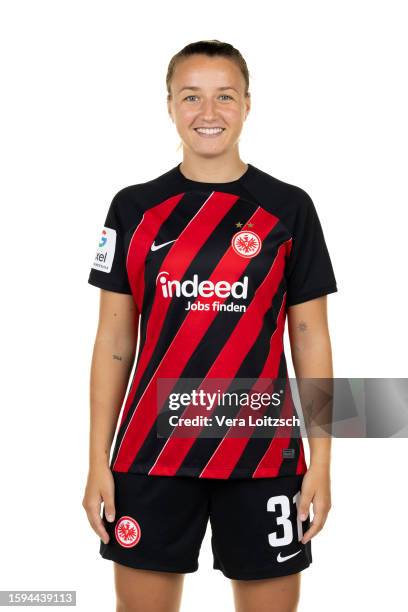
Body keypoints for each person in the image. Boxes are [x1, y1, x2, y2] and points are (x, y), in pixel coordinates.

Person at [83, 39, 337, 612]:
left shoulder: (289, 208)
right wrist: (97, 459)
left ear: (247, 103)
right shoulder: (134, 208)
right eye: (191, 96)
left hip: (263, 454)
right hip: (151, 455)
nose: (208, 113)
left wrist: (322, 460)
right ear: (170, 105)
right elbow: (114, 343)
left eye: (224, 96)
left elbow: (311, 339)